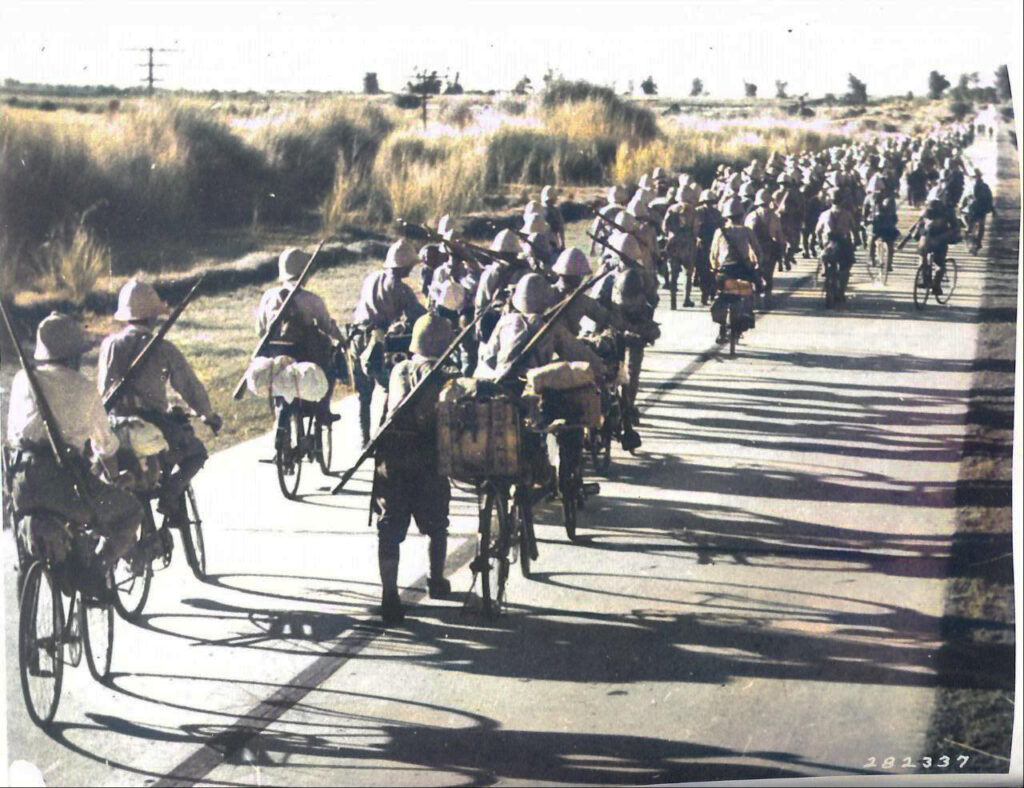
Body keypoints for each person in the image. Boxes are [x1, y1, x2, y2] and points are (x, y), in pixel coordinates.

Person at [6, 312, 144, 574]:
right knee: (130, 512)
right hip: (64, 485)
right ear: (73, 356)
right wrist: (113, 476)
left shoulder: (22, 379)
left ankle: (27, 578)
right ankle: (97, 569)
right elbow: (105, 446)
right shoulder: (83, 387)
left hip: (20, 483)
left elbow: (13, 433)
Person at [99, 279, 223, 525]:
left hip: (115, 424)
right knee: (196, 453)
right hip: (152, 423)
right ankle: (169, 494)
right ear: (153, 317)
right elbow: (189, 387)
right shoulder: (163, 348)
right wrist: (207, 415)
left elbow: (103, 389)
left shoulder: (109, 345)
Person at [373, 314, 458, 625]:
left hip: (392, 456)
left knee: (389, 528)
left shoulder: (399, 369)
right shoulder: (446, 376)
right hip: (427, 457)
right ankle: (436, 580)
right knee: (436, 523)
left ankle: (389, 595)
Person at [349, 239, 427, 446]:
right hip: (377, 340)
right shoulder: (400, 289)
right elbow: (417, 314)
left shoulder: (371, 278)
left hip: (356, 337)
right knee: (389, 385)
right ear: (404, 266)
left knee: (363, 394)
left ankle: (364, 437)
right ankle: (381, 433)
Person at [709, 197, 761, 343]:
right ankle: (745, 318)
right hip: (743, 270)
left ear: (726, 216)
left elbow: (713, 254)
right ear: (741, 215)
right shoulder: (746, 231)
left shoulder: (720, 232)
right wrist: (757, 265)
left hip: (725, 271)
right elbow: (757, 250)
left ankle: (721, 330)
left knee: (721, 295)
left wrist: (715, 268)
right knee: (749, 294)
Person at [815, 188, 856, 301]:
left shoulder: (824, 214)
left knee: (825, 256)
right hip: (843, 243)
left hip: (828, 242)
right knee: (846, 267)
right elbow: (854, 229)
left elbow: (818, 231)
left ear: (830, 201)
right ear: (842, 201)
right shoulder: (847, 214)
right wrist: (856, 240)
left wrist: (820, 242)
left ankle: (825, 269)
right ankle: (841, 291)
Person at [744, 188, 785, 302]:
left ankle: (756, 297)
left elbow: (746, 235)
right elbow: (779, 235)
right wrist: (782, 249)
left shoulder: (751, 216)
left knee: (755, 273)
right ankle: (768, 295)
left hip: (754, 249)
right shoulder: (774, 216)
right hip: (769, 248)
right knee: (768, 274)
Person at [960, 169, 994, 249]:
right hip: (971, 209)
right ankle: (970, 240)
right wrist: (962, 206)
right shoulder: (970, 186)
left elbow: (989, 197)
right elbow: (965, 198)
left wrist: (992, 208)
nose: (977, 178)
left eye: (978, 176)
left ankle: (978, 241)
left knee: (981, 226)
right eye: (975, 177)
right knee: (970, 226)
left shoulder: (984, 186)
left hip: (981, 209)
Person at [540, 185, 566, 253]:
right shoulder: (539, 211)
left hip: (553, 242)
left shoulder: (556, 211)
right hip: (542, 241)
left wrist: (562, 243)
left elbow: (561, 228)